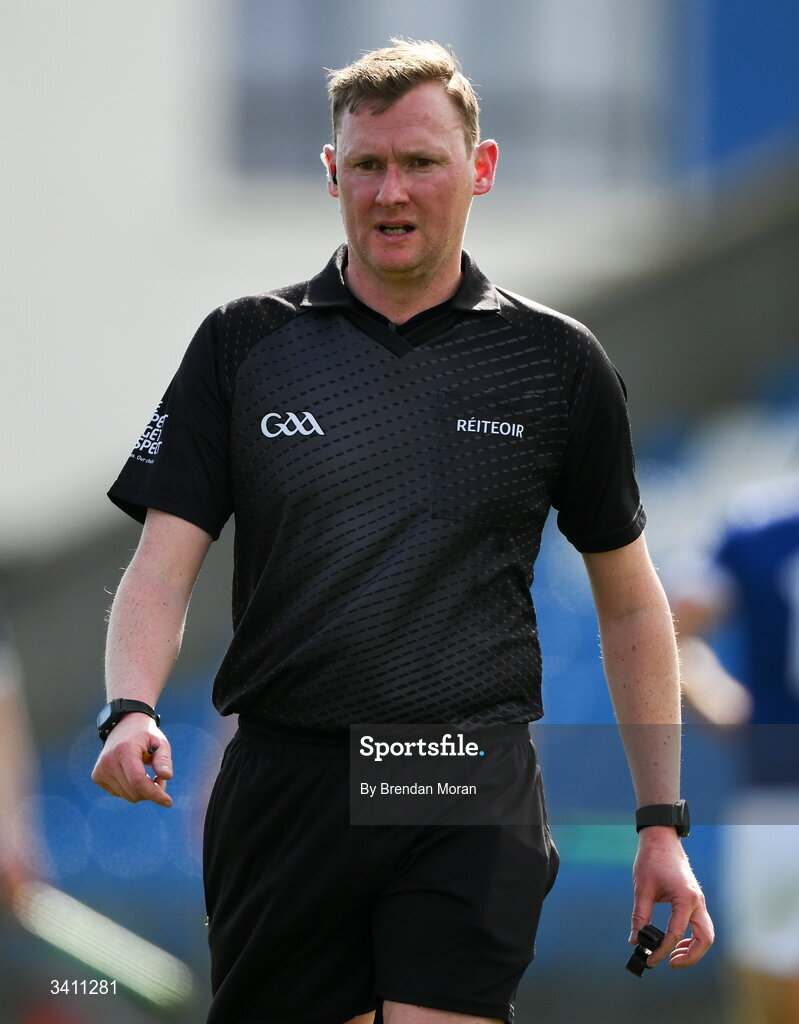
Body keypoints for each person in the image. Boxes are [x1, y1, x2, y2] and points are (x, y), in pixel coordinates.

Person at [92, 39, 713, 1024]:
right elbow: (161, 570)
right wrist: (129, 706)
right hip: (288, 782)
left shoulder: (555, 362)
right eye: (369, 164)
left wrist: (660, 825)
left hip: (461, 770)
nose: (392, 191)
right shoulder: (243, 344)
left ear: (480, 168)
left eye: (421, 161)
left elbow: (633, 607)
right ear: (332, 172)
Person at [670, 473, 799, 1024]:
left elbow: (666, 626)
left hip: (779, 794)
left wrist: (726, 709)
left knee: (770, 987)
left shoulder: (759, 524)